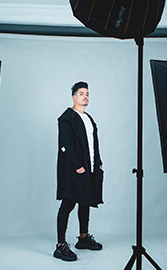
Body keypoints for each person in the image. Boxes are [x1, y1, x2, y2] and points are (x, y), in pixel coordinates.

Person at [54, 81, 104, 262]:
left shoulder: (89, 119)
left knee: (85, 201)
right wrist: (77, 166)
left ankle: (83, 238)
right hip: (73, 169)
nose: (85, 97)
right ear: (73, 97)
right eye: (82, 93)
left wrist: (97, 163)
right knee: (68, 203)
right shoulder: (67, 118)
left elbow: (93, 145)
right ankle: (60, 246)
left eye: (88, 94)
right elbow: (65, 145)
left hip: (90, 168)